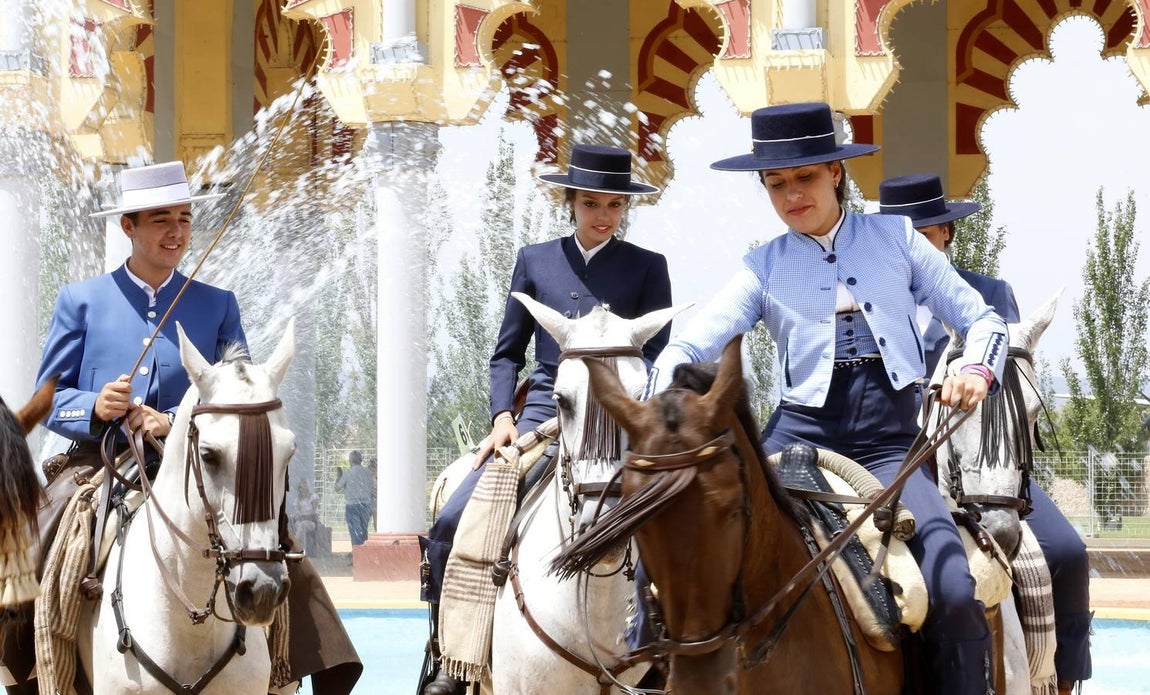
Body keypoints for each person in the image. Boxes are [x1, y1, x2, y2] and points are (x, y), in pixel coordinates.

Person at [648, 103, 1008, 695]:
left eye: (805, 178)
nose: (792, 195)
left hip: (893, 444)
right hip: (798, 438)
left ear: (835, 174)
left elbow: (984, 321)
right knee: (679, 545)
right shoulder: (761, 267)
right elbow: (690, 343)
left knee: (950, 586)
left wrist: (974, 369)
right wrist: (650, 402)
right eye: (776, 184)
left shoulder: (896, 239)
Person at [0, 161, 362, 695]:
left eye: (185, 220)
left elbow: (242, 392)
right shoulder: (80, 301)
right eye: (160, 220)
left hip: (202, 461)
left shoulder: (217, 305)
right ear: (129, 226)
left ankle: (287, 667)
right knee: (41, 534)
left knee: (271, 545)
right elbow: (51, 403)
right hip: (99, 464)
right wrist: (96, 405)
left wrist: (171, 422)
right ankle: (27, 668)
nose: (176, 233)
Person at [419, 143, 674, 695]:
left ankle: (668, 644)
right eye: (590, 204)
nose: (602, 216)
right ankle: (449, 655)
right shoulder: (535, 260)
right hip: (541, 413)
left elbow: (658, 357)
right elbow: (507, 352)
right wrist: (499, 418)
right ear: (570, 202)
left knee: (679, 512)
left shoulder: (649, 268)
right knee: (451, 520)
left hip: (623, 420)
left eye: (613, 205)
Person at [880, 174, 1091, 694]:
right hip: (900, 460)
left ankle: (1062, 681)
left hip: (985, 461)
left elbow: (1005, 382)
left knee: (1067, 552)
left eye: (923, 234)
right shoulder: (873, 306)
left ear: (946, 233)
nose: (913, 247)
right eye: (900, 235)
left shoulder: (991, 295)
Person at [334, 450, 373, 546]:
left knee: (355, 531)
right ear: (361, 460)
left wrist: (338, 476)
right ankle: (364, 550)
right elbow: (373, 486)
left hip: (352, 505)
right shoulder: (368, 472)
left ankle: (357, 551)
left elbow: (337, 488)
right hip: (366, 504)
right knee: (363, 530)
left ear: (350, 461)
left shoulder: (348, 473)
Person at [290, 478, 321, 555]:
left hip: (311, 521)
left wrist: (303, 514)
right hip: (301, 520)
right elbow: (296, 512)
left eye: (305, 486)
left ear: (308, 487)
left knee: (302, 525)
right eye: (302, 487)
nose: (304, 489)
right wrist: (303, 515)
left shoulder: (313, 497)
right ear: (299, 489)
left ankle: (294, 547)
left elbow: (313, 511)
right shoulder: (297, 500)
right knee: (300, 525)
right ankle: (300, 550)